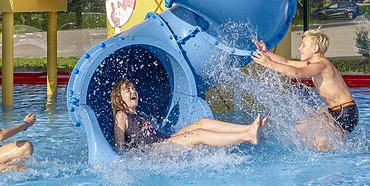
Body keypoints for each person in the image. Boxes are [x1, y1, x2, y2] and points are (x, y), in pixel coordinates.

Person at [251, 29, 358, 150]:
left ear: (315, 48)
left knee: (320, 142)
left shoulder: (322, 65)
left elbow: (297, 73)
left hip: (345, 113)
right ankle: (327, 151)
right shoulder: (313, 64)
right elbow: (287, 62)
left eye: (303, 45)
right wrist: (265, 52)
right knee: (301, 128)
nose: (299, 48)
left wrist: (269, 63)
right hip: (334, 111)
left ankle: (329, 159)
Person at [110, 79, 263, 153]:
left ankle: (248, 128)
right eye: (127, 90)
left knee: (203, 122)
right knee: (198, 134)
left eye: (134, 88)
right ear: (119, 98)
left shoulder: (137, 113)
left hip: (165, 140)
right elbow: (119, 145)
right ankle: (247, 136)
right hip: (156, 151)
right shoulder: (121, 115)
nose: (133, 92)